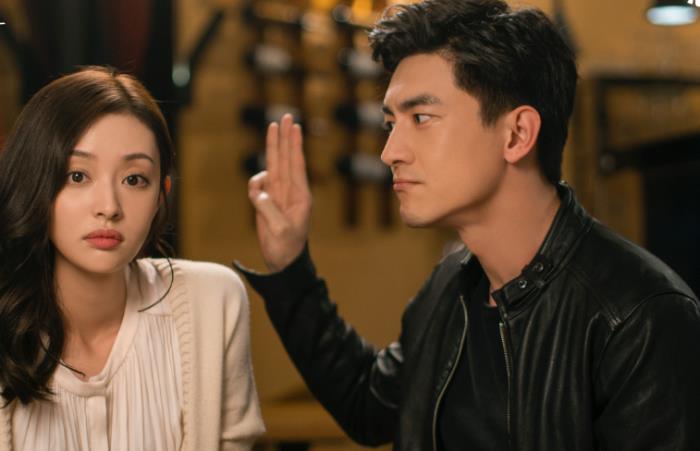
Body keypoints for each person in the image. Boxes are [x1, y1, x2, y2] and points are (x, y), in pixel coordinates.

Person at [235, 0, 700, 450]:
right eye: (391, 124)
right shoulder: (450, 285)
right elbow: (368, 405)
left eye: (421, 118)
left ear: (517, 134)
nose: (390, 152)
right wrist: (290, 265)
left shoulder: (640, 317)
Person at [0, 67, 264, 451]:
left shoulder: (211, 303)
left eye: (134, 179)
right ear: (34, 183)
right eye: (77, 176)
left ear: (161, 195)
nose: (109, 207)